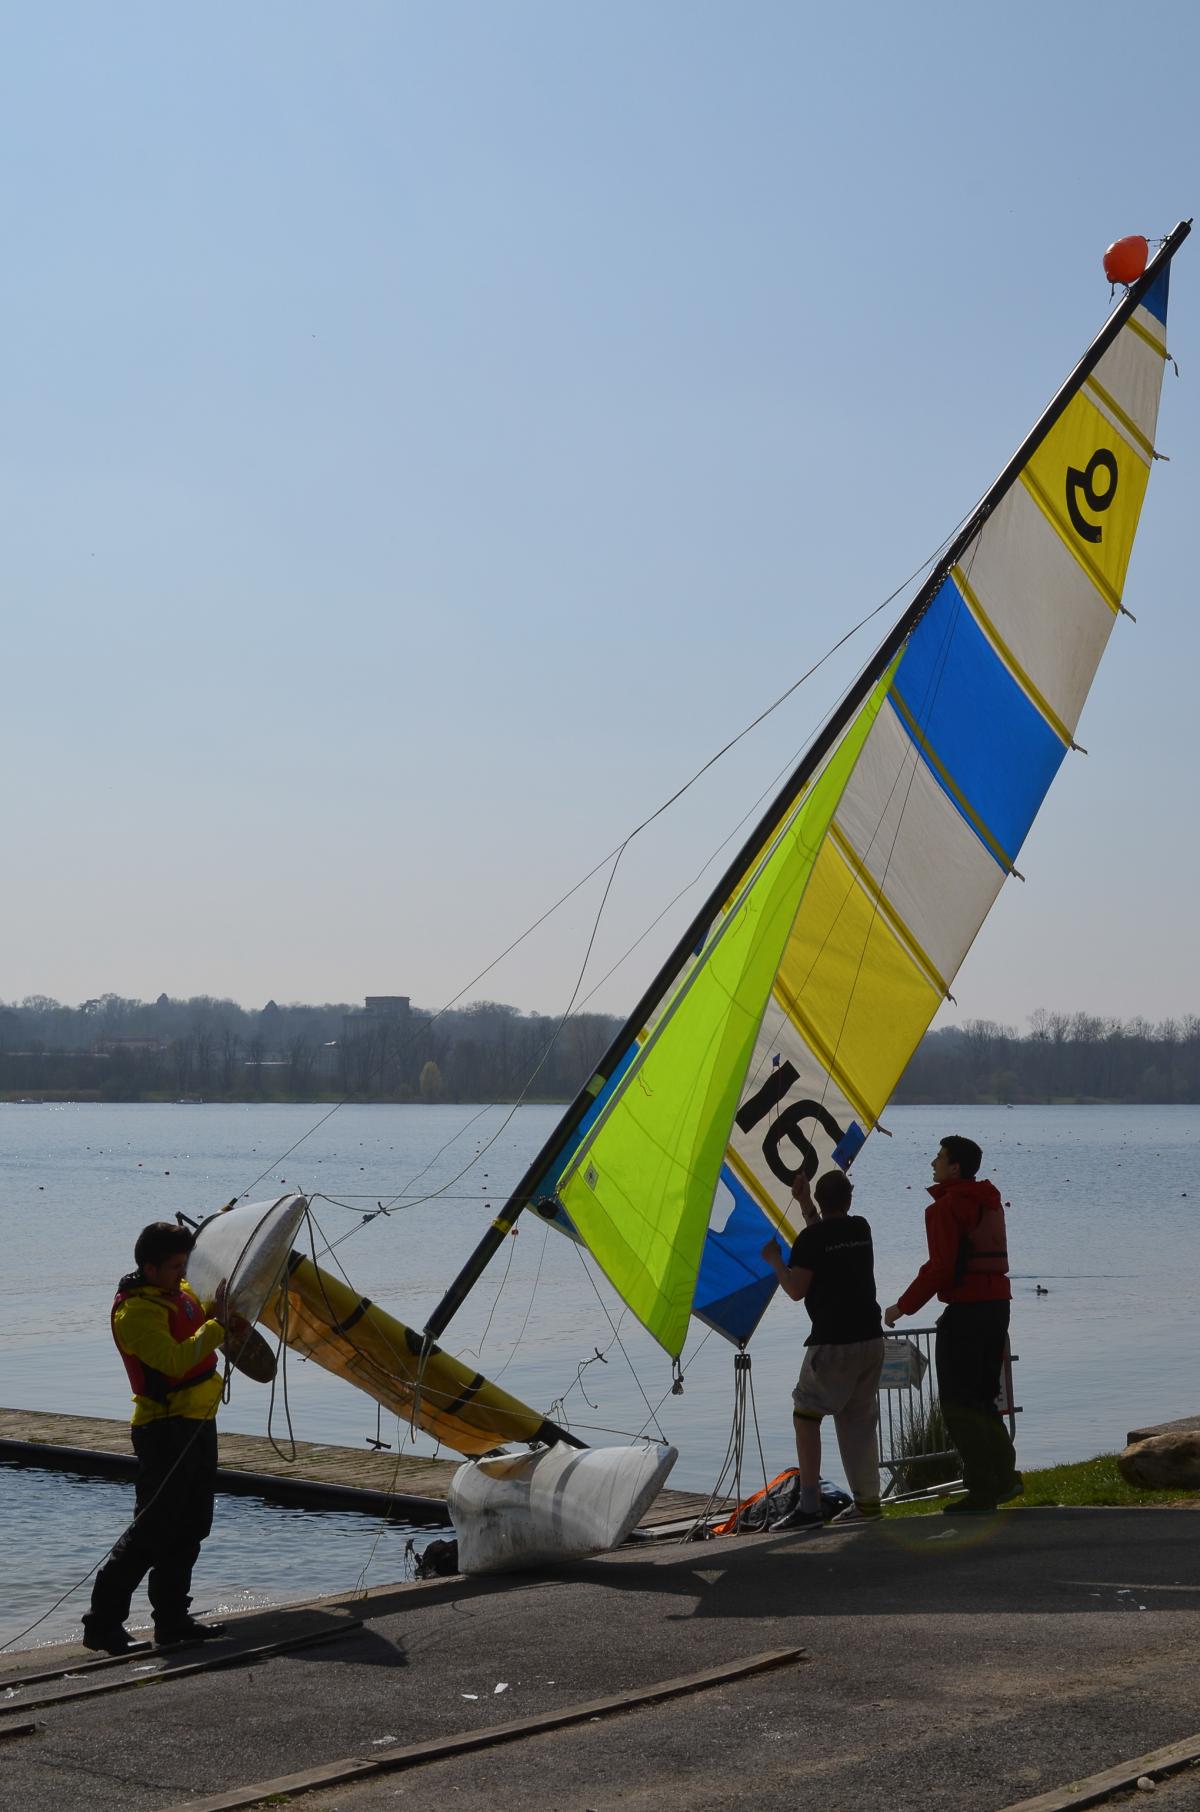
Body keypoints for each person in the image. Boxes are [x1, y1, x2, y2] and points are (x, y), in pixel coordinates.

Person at [82, 1221, 243, 1653]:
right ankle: (101, 1624)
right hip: (163, 1429)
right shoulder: (135, 1313)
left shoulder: (179, 1292)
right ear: (150, 1268)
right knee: (153, 1529)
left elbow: (202, 1314)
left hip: (199, 1422)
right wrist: (216, 1327)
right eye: (175, 1267)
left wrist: (225, 1314)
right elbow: (173, 1361)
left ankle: (172, 1621)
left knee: (192, 1526)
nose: (182, 1273)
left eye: (185, 1265)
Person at [885, 1135, 1020, 1516]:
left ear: (955, 1167)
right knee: (983, 1398)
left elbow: (941, 1268)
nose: (933, 1163)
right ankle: (1004, 1477)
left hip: (967, 1312)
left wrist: (901, 1307)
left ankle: (981, 1489)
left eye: (939, 1157)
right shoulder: (988, 1201)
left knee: (958, 1404)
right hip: (998, 1306)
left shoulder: (945, 1208)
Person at [761, 1167, 885, 1531]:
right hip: (871, 1338)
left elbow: (795, 1289)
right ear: (850, 1198)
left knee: (806, 1415)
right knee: (857, 1421)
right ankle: (868, 1503)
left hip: (834, 1342)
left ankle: (810, 1505)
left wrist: (775, 1261)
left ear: (820, 1198)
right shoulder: (860, 1228)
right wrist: (804, 1203)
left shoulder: (809, 1241)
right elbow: (827, 1237)